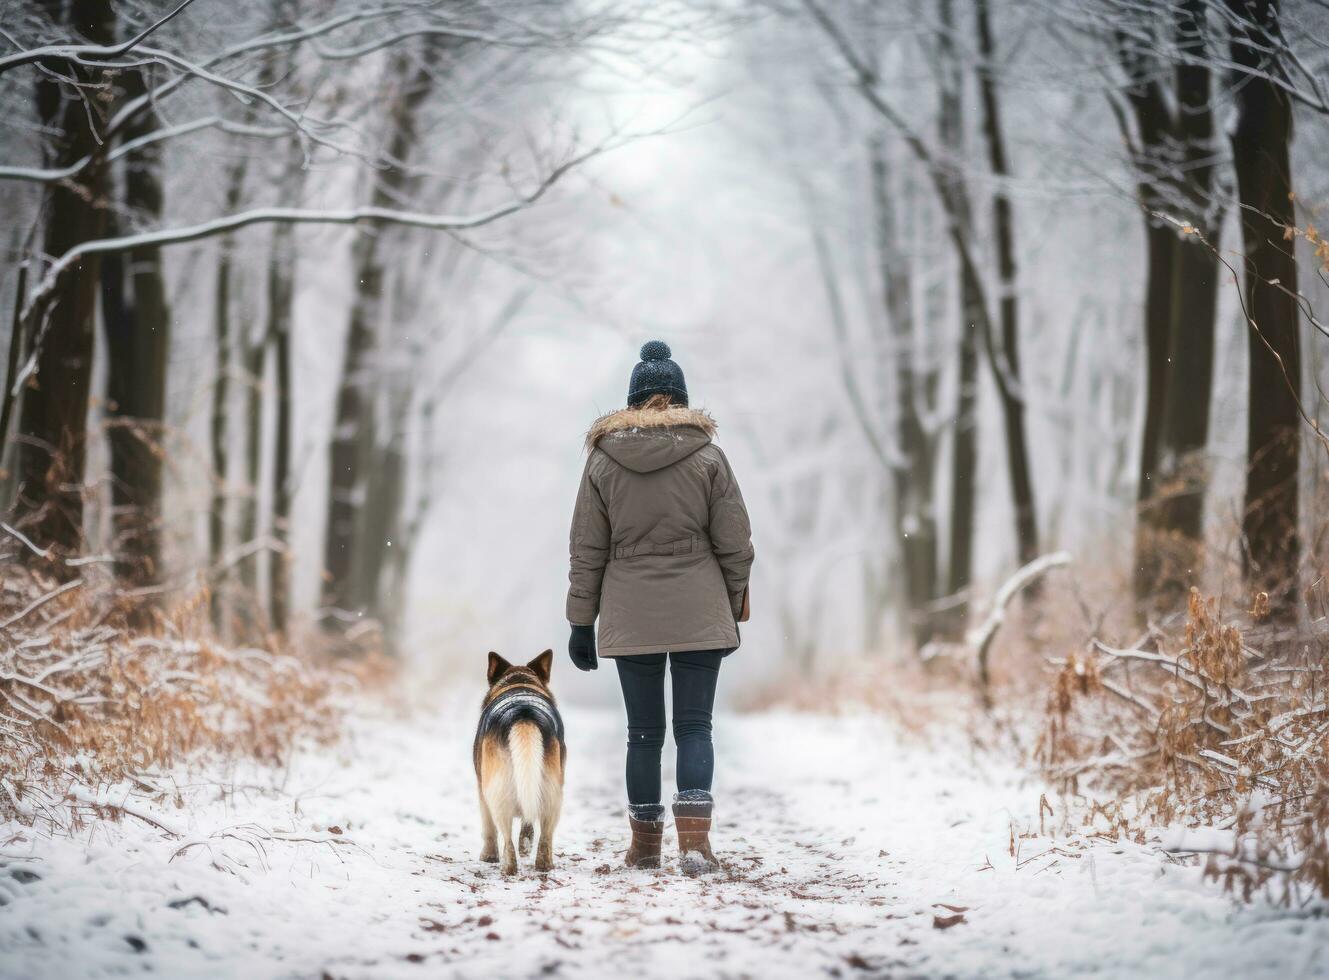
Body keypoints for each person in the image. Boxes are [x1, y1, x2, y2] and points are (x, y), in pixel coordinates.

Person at [565, 340, 754, 874]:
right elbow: (735, 540)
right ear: (681, 400)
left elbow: (587, 548)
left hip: (630, 609)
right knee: (695, 727)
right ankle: (695, 845)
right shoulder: (709, 457)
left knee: (643, 733)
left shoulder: (602, 461)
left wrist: (582, 620)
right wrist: (733, 598)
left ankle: (644, 847)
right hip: (699, 606)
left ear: (632, 401)